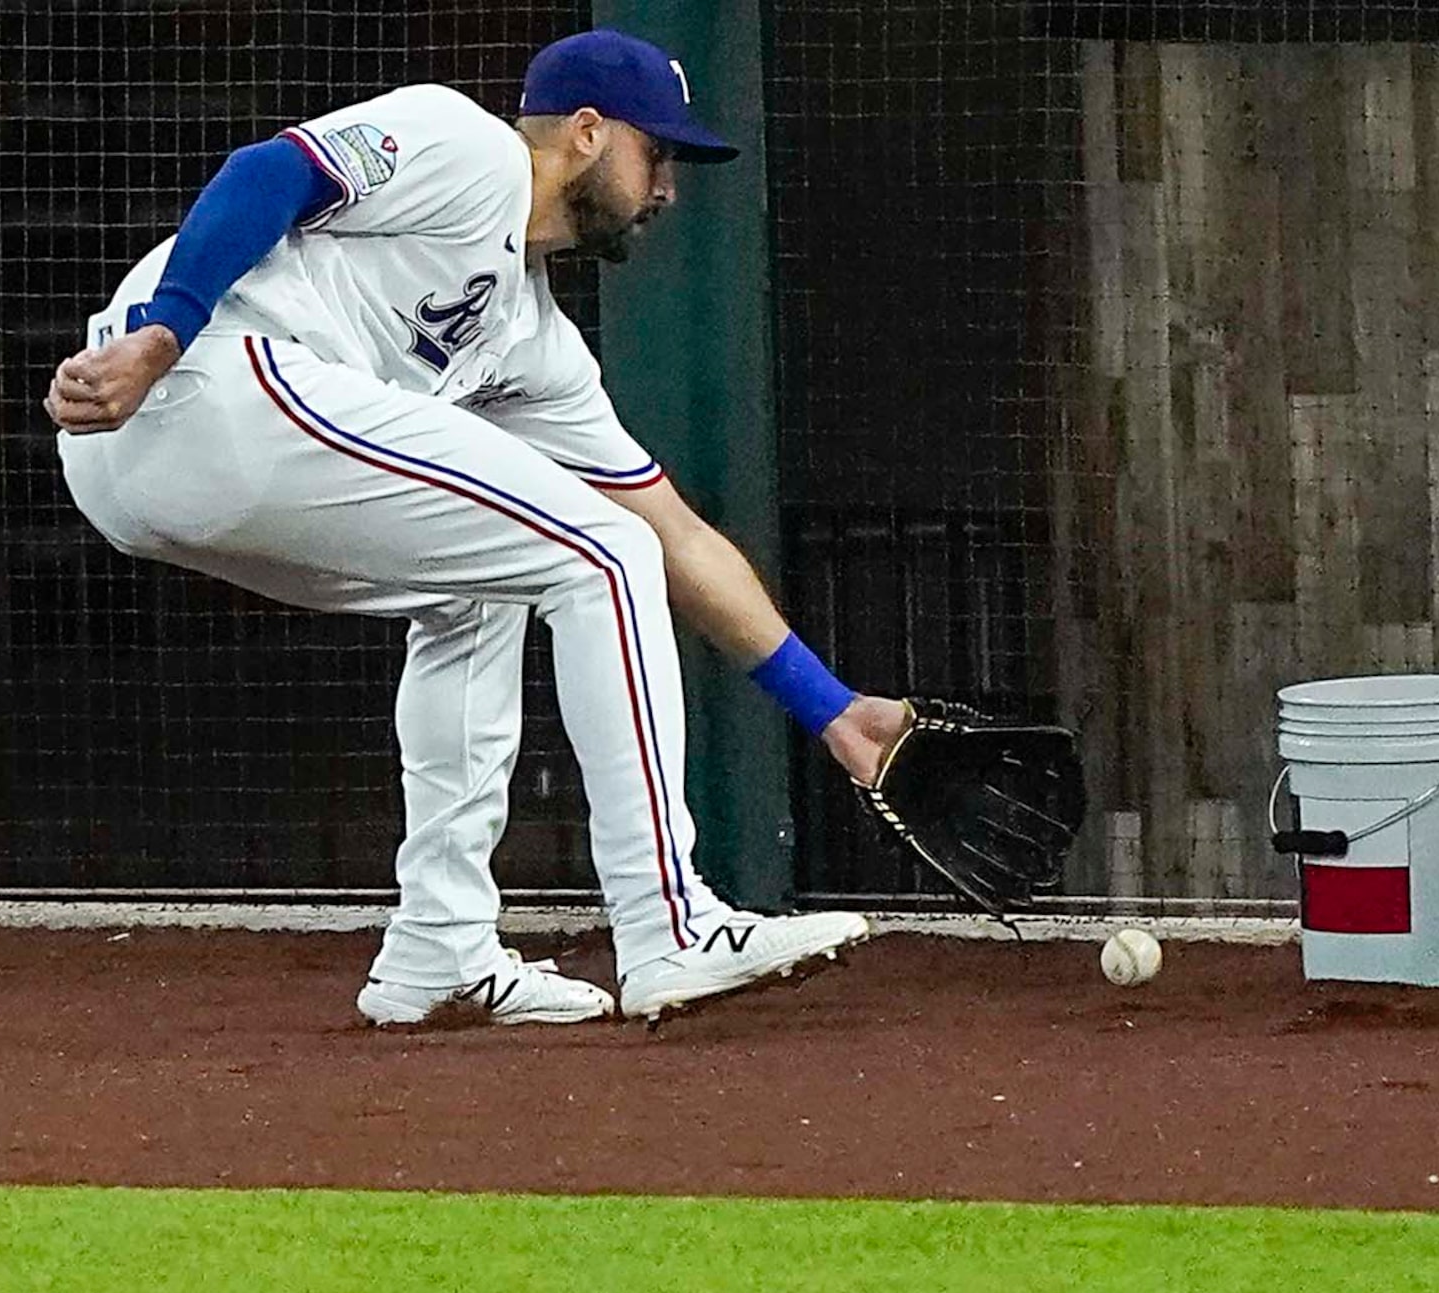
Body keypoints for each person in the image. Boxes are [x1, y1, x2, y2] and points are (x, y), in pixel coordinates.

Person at [46, 28, 902, 1026]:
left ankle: (440, 947)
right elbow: (268, 171)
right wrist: (164, 332)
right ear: (585, 133)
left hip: (157, 460)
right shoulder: (468, 148)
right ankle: (670, 926)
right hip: (199, 375)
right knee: (598, 551)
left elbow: (680, 537)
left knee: (496, 579)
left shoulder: (535, 348)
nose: (666, 186)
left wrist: (830, 708)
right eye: (655, 152)